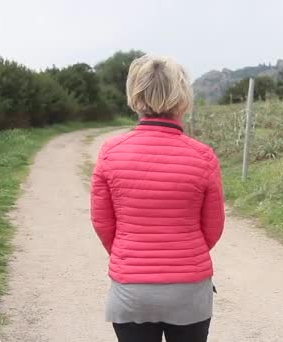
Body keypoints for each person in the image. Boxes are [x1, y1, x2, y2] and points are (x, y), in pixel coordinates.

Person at [90, 55, 225, 342]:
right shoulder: (203, 156)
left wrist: (130, 253)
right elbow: (212, 229)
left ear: (135, 96)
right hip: (189, 290)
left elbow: (103, 224)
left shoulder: (110, 152)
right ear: (183, 98)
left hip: (131, 289)